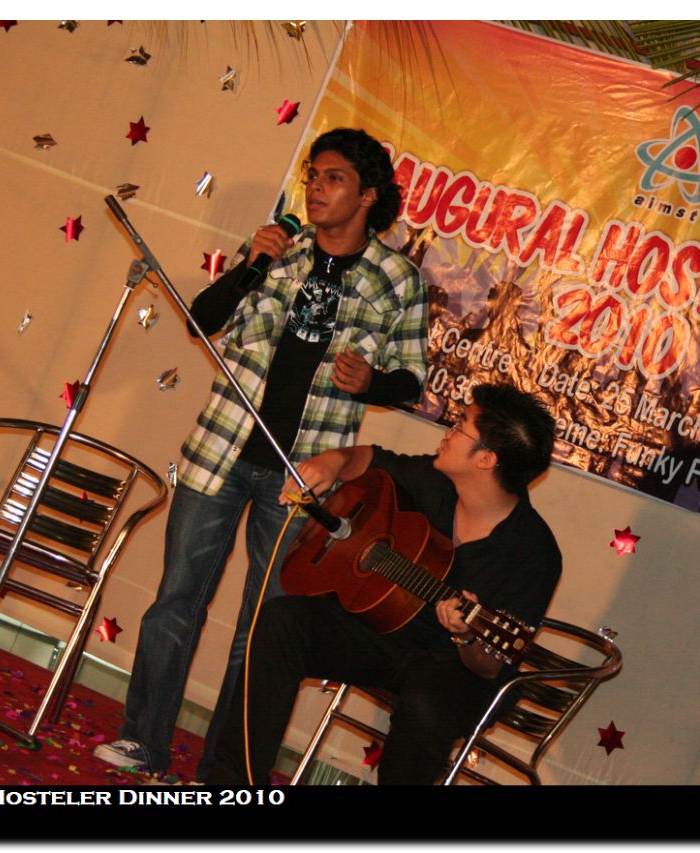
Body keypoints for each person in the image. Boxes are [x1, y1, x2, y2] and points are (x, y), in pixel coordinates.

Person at [95, 128, 428, 776]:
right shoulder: (279, 250)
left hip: (303, 479)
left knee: (260, 627)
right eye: (313, 175)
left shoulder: (397, 280)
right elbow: (201, 320)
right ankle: (143, 738)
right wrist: (252, 262)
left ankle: (221, 770)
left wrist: (373, 382)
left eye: (333, 177)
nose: (316, 188)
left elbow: (411, 380)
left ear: (368, 195)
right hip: (219, 450)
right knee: (175, 601)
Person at [207, 383, 561, 785]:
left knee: (427, 702)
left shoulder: (534, 554)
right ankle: (232, 784)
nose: (448, 430)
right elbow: (369, 460)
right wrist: (333, 461)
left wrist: (466, 635)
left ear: (486, 459)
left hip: (458, 671)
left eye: (461, 425)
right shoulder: (434, 481)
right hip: (389, 637)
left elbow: (491, 663)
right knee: (283, 620)